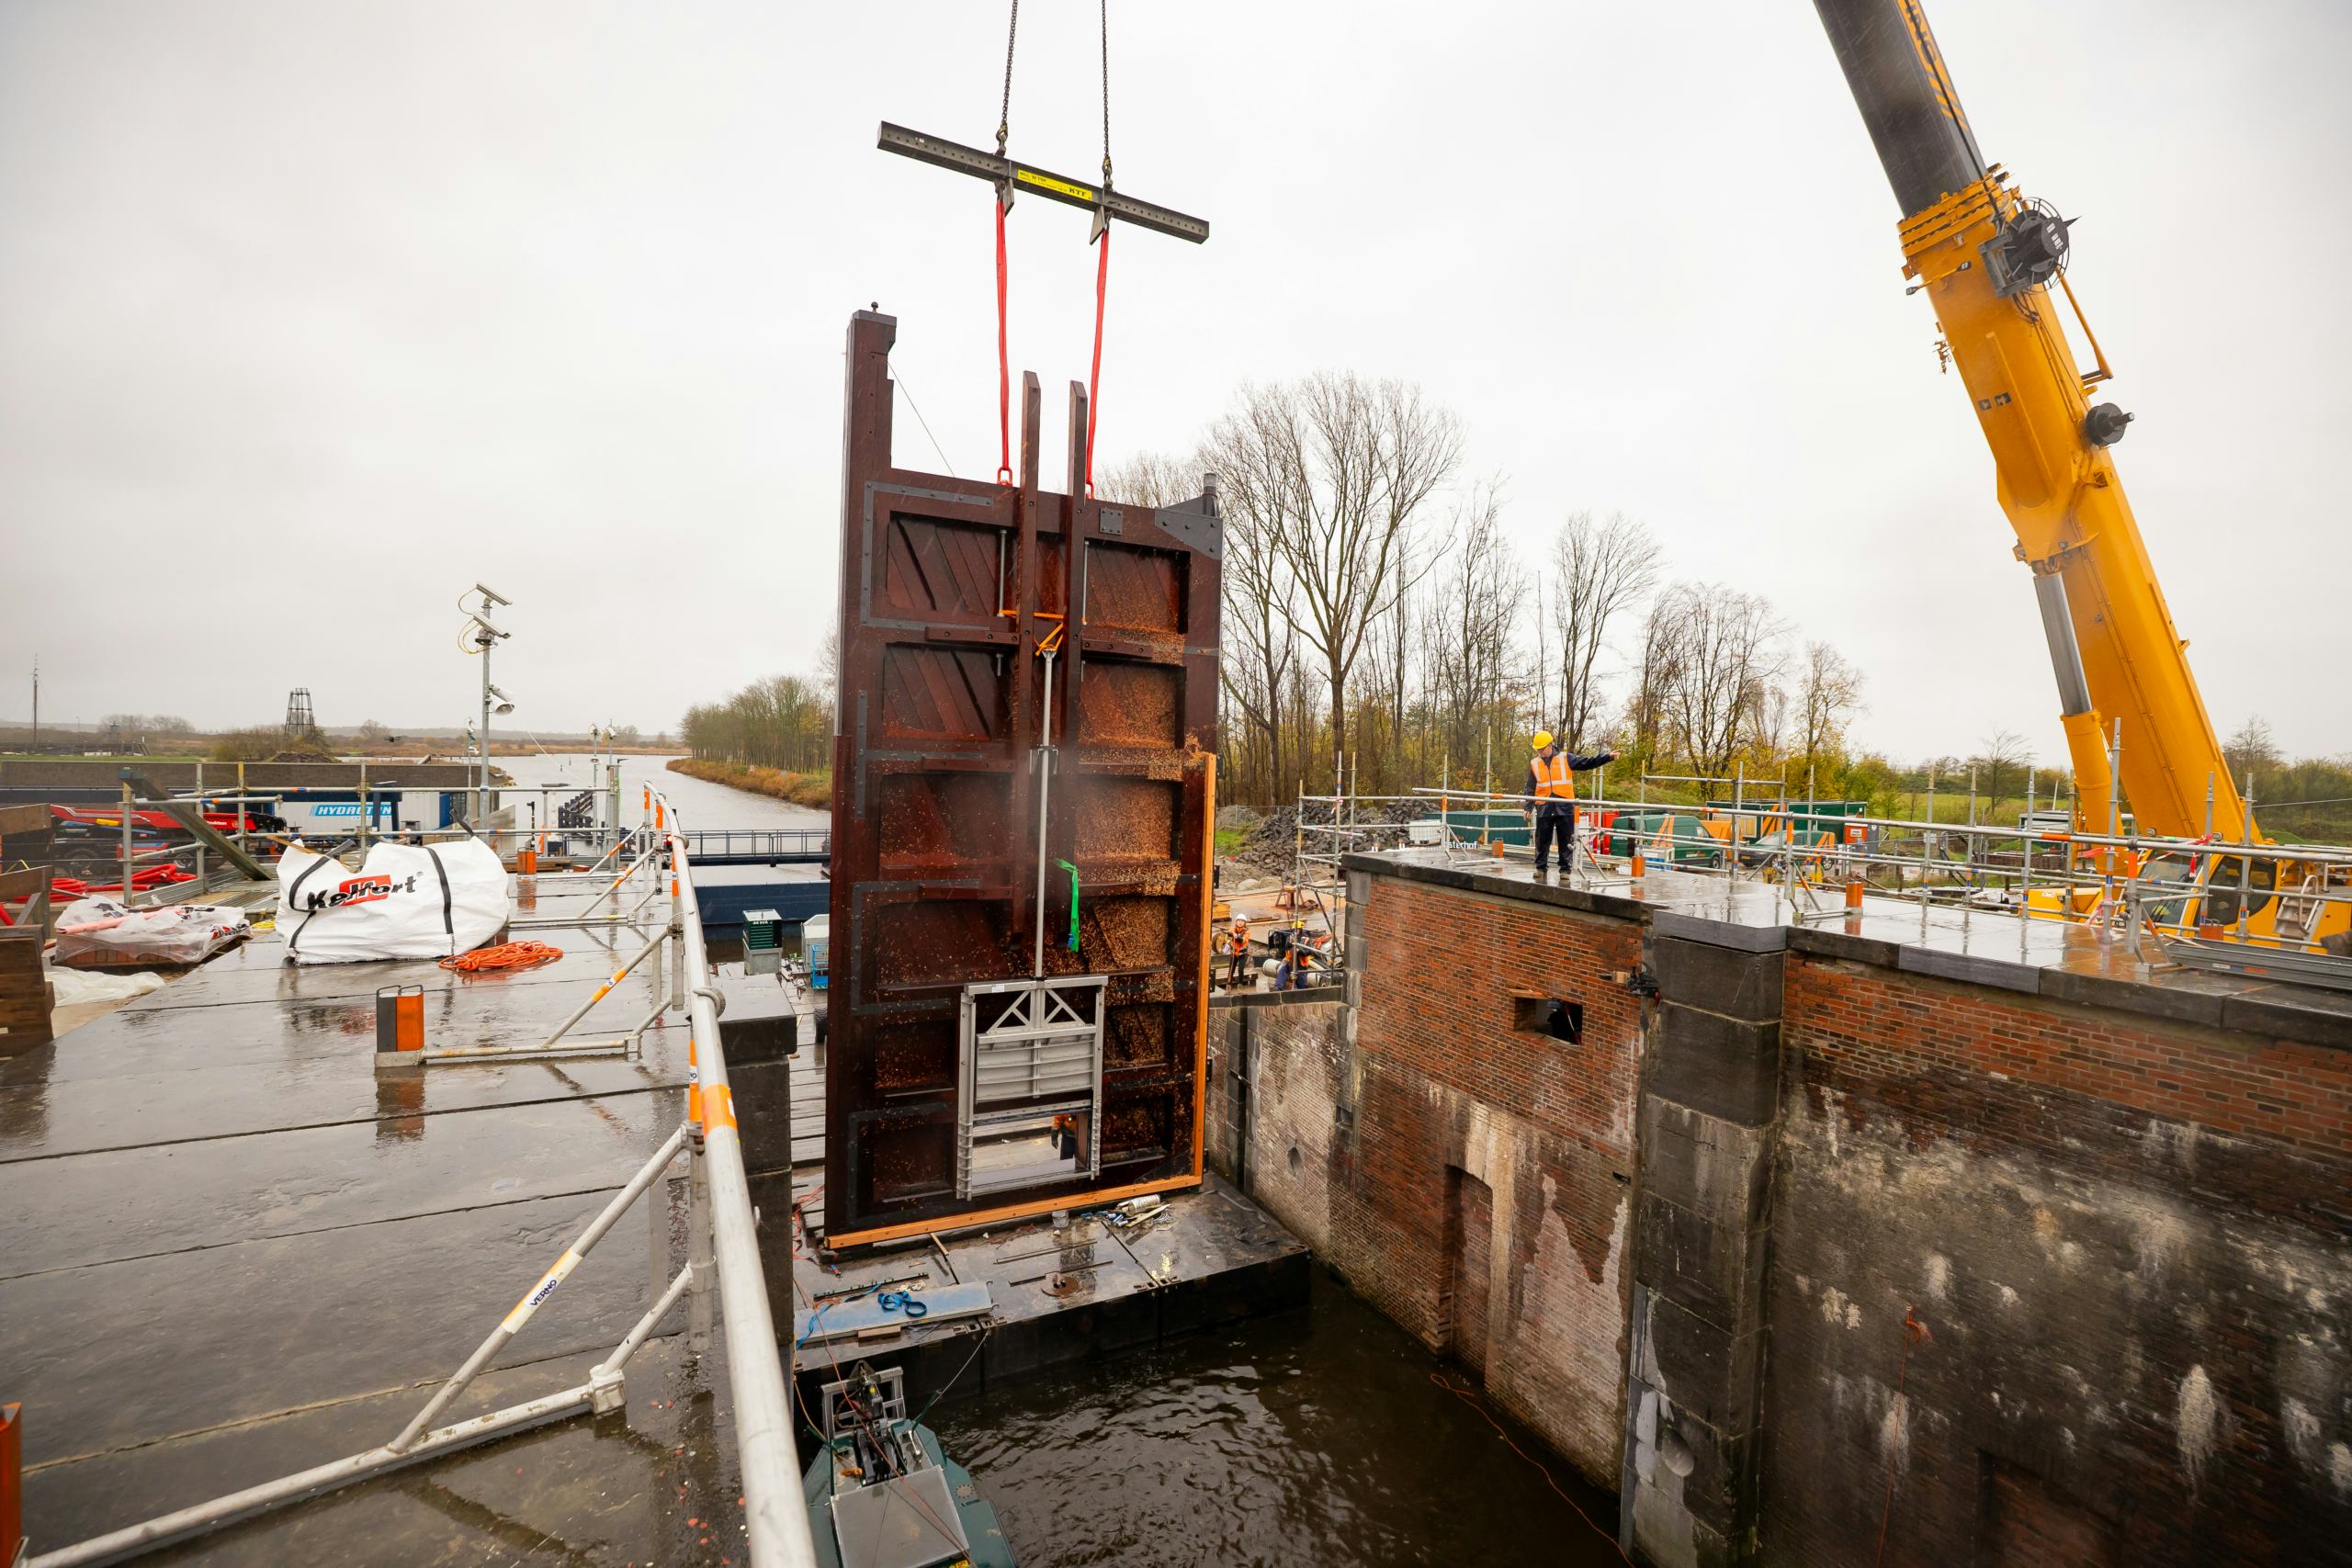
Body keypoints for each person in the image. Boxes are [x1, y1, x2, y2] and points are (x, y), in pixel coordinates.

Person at [1523, 730, 1619, 877]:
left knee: (1565, 840)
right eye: (1537, 750)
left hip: (1564, 805)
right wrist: (1528, 807)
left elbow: (1587, 762)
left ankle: (1565, 870)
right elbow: (1530, 787)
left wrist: (1607, 757)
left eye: (1541, 749)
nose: (1539, 753)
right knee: (1542, 840)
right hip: (1544, 806)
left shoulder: (1565, 758)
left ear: (1549, 745)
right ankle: (1540, 868)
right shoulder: (1535, 763)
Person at [1224, 917, 1251, 988]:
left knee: (1240, 969)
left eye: (1242, 921)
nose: (1240, 922)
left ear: (1245, 923)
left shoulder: (1246, 931)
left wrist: (1237, 937)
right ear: (1236, 922)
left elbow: (1242, 940)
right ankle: (1229, 984)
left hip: (1243, 954)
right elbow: (1229, 934)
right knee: (1231, 968)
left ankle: (1240, 984)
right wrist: (1231, 934)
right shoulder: (1233, 929)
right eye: (1239, 920)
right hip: (1234, 953)